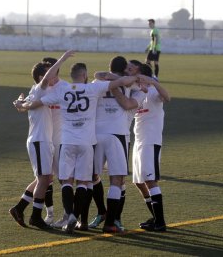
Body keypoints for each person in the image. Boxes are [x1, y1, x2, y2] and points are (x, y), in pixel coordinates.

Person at [14, 50, 139, 234]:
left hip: (67, 141)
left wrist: (21, 105)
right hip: (87, 142)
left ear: (70, 76)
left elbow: (35, 104)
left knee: (65, 181)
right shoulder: (93, 88)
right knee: (83, 182)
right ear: (85, 75)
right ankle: (83, 218)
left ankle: (70, 215)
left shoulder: (62, 90)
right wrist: (138, 80)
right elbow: (123, 82)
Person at [85, 56, 145, 233]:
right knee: (117, 180)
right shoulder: (128, 84)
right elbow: (139, 84)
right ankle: (110, 221)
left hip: (96, 133)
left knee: (90, 177)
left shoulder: (98, 81)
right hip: (117, 134)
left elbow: (97, 75)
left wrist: (107, 75)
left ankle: (85, 218)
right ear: (124, 69)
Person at [9, 61, 55, 230]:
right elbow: (21, 106)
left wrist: (20, 102)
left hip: (42, 140)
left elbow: (20, 106)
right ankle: (36, 217)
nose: (54, 75)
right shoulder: (40, 89)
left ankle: (19, 208)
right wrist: (63, 58)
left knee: (45, 179)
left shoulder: (36, 90)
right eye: (50, 73)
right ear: (42, 77)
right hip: (39, 140)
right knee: (44, 179)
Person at [132, 64, 170, 231]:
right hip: (139, 142)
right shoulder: (137, 93)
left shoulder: (154, 92)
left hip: (150, 141)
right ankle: (155, 217)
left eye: (137, 75)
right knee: (139, 182)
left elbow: (167, 97)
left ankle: (160, 222)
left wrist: (153, 82)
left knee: (150, 180)